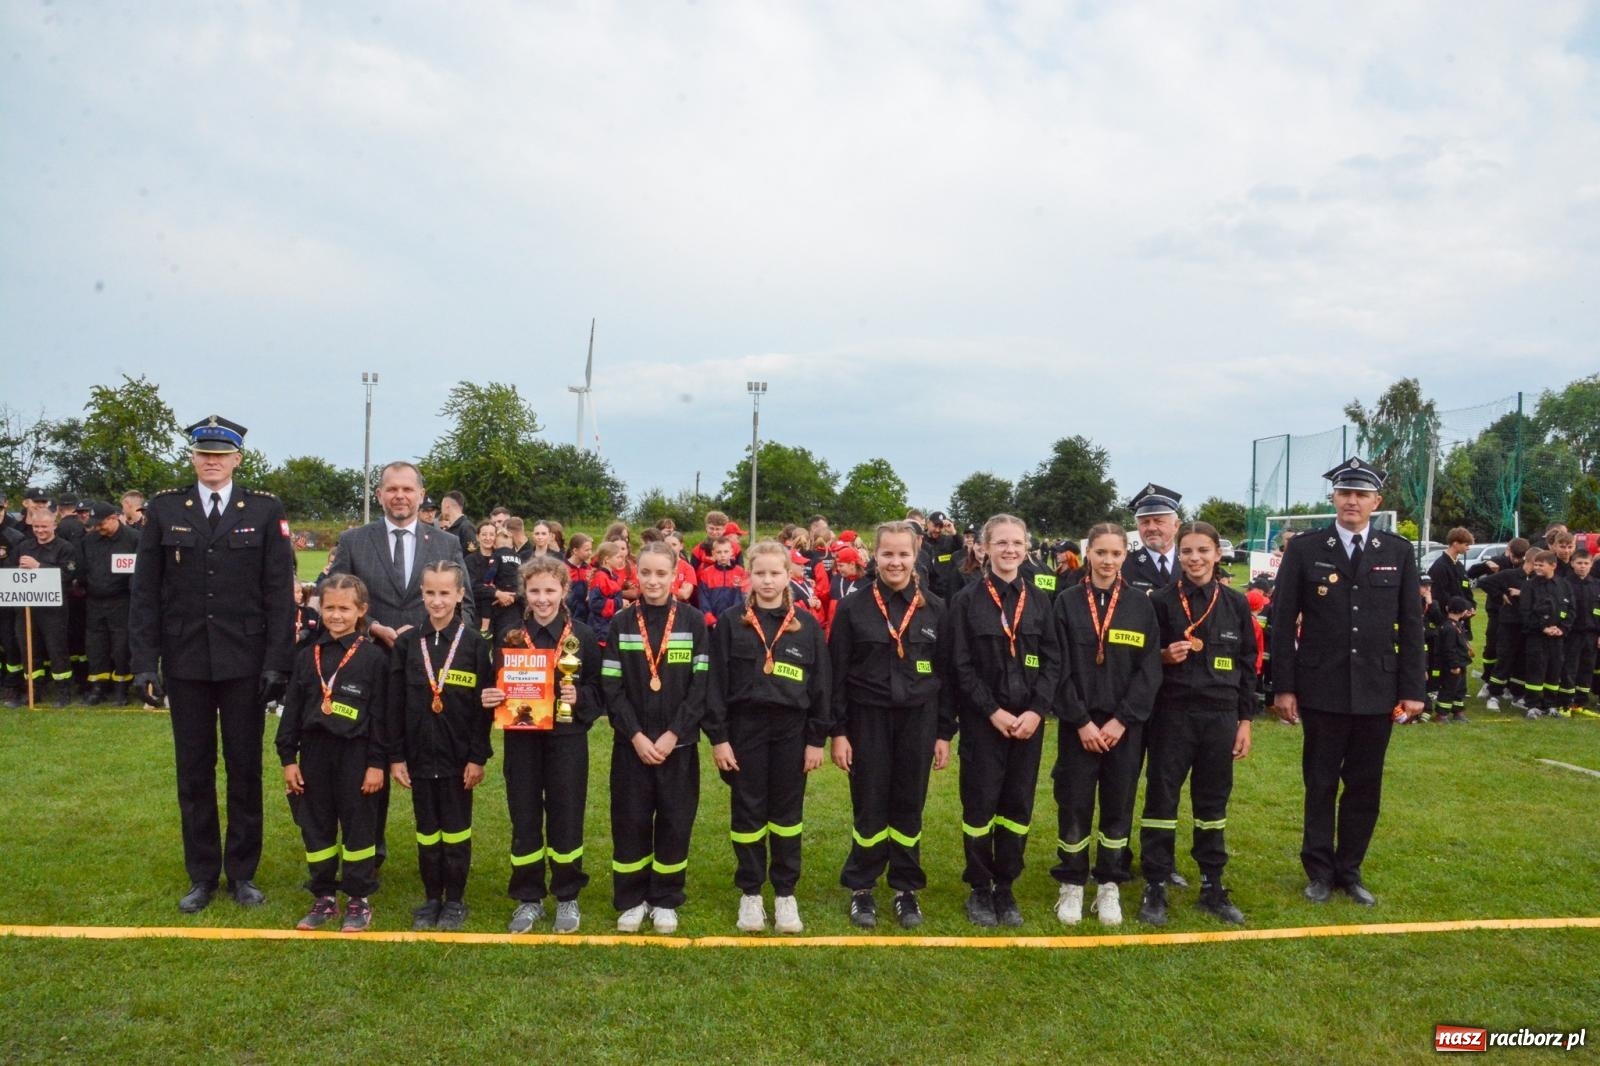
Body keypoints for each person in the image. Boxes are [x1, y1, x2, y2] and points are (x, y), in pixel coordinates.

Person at [129, 416, 296, 913]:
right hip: (185, 662)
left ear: (237, 458)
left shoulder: (265, 510)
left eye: (221, 454)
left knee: (245, 771)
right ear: (193, 457)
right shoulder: (164, 508)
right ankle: (202, 875)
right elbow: (145, 593)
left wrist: (277, 663)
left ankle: (243, 874)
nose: (212, 461)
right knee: (194, 772)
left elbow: (277, 594)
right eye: (204, 453)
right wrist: (143, 662)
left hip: (245, 662)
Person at [1271, 458, 1424, 906]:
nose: (1352, 500)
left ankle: (1350, 870)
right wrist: (1284, 687)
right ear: (1334, 499)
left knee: (1364, 785)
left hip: (1377, 690)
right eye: (1344, 493)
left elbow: (1411, 625)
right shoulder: (1305, 548)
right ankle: (1318, 871)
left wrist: (1413, 689)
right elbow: (1282, 623)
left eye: (1361, 494)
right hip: (1321, 687)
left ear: (1376, 502)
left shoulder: (1396, 551)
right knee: (1319, 782)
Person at [321, 460, 473, 876]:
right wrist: (372, 627)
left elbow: (467, 607)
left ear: (422, 495)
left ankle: (445, 856)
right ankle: (369, 849)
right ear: (379, 495)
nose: (400, 496)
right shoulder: (354, 541)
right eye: (391, 489)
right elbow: (328, 597)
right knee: (369, 764)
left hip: (430, 680)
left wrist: (427, 633)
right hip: (369, 667)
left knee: (434, 765)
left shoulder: (445, 543)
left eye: (408, 489)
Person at [829, 521, 953, 930]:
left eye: (903, 554)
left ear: (916, 553)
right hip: (868, 719)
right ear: (874, 557)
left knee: (908, 803)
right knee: (869, 802)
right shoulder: (853, 607)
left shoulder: (935, 607)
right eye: (887, 554)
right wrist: (839, 732)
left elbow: (946, 676)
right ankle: (862, 887)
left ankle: (904, 887)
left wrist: (942, 733)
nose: (895, 562)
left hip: (917, 720)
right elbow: (837, 674)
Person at [705, 540, 832, 934]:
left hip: (792, 733)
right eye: (760, 573)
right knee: (747, 811)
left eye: (775, 573)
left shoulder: (807, 625)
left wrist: (816, 740)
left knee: (787, 815)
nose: (767, 580)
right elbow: (714, 684)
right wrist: (719, 738)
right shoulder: (730, 622)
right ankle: (750, 893)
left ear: (788, 576)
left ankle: (784, 893)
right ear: (748, 576)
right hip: (745, 731)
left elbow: (822, 687)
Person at [1138, 522, 1257, 926]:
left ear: (1217, 554)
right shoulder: (1160, 601)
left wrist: (1245, 720)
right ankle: (1155, 883)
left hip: (1221, 716)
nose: (1195, 559)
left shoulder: (1236, 604)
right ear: (1178, 553)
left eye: (1203, 551)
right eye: (1187, 551)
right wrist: (1162, 657)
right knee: (1162, 800)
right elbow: (1140, 659)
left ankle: (1212, 884)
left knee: (1212, 802)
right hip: (1171, 714)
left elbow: (1247, 665)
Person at [947, 515, 1063, 927]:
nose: (1010, 550)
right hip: (985, 722)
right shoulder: (965, 600)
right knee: (980, 804)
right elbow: (959, 666)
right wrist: (992, 712)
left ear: (1027, 547)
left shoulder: (1039, 599)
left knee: (1017, 804)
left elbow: (1053, 661)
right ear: (983, 548)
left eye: (1017, 543)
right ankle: (980, 887)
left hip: (1028, 723)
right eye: (1001, 543)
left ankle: (1006, 885)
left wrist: (1036, 711)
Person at [1050, 522, 1161, 926]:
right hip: (1079, 726)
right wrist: (1080, 721)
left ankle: (1109, 882)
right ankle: (1073, 881)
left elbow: (1149, 671)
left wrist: (1121, 721)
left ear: (1124, 557)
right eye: (1101, 553)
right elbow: (1056, 667)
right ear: (1089, 554)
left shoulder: (1139, 605)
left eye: (1116, 554)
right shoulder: (1066, 602)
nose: (1108, 561)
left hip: (1122, 729)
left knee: (1118, 804)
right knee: (1074, 803)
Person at [601, 541, 710, 934]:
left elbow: (700, 689)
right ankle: (631, 899)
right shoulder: (622, 623)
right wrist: (635, 735)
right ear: (635, 574)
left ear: (676, 574)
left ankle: (665, 898)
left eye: (661, 573)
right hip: (632, 748)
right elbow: (611, 688)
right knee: (629, 822)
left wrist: (672, 734)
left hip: (676, 748)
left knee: (674, 822)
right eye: (645, 573)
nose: (652, 580)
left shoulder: (694, 622)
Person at [496, 556, 603, 935]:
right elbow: (496, 682)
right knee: (524, 816)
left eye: (550, 590)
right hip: (522, 739)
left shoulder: (584, 637)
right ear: (525, 591)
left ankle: (567, 894)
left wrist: (581, 696)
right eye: (535, 590)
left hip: (567, 739)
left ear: (564, 591)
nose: (542, 599)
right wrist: (493, 695)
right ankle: (528, 897)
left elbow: (599, 690)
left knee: (566, 814)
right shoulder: (509, 633)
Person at [276, 574, 389, 932]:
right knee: (316, 826)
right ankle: (323, 896)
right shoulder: (307, 655)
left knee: (359, 829)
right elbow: (292, 708)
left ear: (361, 611)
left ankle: (358, 899)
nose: (336, 615)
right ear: (319, 608)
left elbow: (382, 718)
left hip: (357, 755)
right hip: (314, 755)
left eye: (344, 608)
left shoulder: (374, 658)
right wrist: (287, 759)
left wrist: (376, 764)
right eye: (329, 608)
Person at [388, 561, 494, 931]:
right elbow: (394, 704)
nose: (437, 601)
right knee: (426, 830)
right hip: (417, 756)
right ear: (422, 594)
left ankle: (455, 899)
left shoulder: (476, 646)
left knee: (456, 830)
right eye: (430, 593)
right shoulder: (406, 643)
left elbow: (484, 711)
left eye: (445, 593)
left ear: (460, 594)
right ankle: (432, 896)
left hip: (457, 759)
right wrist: (396, 755)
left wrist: (477, 757)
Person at [10, 510, 82, 707]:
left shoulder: (65, 548)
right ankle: (33, 692)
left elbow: (68, 574)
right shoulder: (23, 546)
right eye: (36, 527)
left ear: (54, 525)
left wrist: (39, 566)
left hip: (53, 610)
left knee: (57, 650)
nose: (39, 530)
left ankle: (63, 693)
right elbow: (9, 571)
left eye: (43, 526)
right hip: (27, 608)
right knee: (29, 651)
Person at [77, 500, 139, 705]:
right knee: (96, 646)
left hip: (121, 601)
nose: (97, 528)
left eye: (101, 523)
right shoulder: (90, 540)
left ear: (113, 518)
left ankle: (122, 688)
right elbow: (82, 569)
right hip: (94, 601)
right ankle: (98, 686)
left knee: (121, 646)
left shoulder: (134, 539)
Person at [1519, 549, 1572, 719]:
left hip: (1558, 638)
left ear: (1553, 566)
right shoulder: (1529, 585)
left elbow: (1571, 609)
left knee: (1554, 670)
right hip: (1537, 637)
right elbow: (1525, 612)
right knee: (1536, 669)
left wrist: (1562, 628)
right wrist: (1543, 628)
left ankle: (1550, 704)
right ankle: (1532, 705)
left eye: (1541, 565)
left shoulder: (1564, 585)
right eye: (1535, 564)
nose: (1537, 568)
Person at [1122, 484, 1182, 594]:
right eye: (1144, 522)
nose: (1151, 528)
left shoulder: (1193, 563)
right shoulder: (1124, 565)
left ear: (1176, 525)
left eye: (1158, 521)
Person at [1430, 596, 1474, 724]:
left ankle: (1458, 711)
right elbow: (1449, 649)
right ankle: (1441, 714)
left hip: (1461, 663)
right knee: (1448, 689)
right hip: (1452, 665)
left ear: (1447, 608)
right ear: (1464, 611)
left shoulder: (1457, 625)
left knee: (1460, 689)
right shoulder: (1449, 628)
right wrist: (1454, 665)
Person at [1565, 550, 1597, 716]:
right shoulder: (1565, 584)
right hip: (1572, 634)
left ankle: (1581, 702)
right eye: (1579, 563)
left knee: (1587, 667)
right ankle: (1567, 701)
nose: (1582, 567)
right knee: (1570, 667)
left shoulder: (1597, 585)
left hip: (1591, 635)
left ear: (1591, 565)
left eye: (1586, 563)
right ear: (1572, 563)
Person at [1428, 528, 1475, 639]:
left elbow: (1466, 589)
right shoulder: (1440, 567)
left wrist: (1471, 607)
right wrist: (1459, 609)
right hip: (1448, 619)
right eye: (1466, 544)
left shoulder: (1459, 565)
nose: (1468, 548)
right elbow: (1440, 594)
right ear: (1455, 543)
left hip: (1462, 619)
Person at [696, 536, 747, 628]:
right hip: (713, 624)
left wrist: (734, 618)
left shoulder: (740, 572)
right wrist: (711, 621)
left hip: (734, 622)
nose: (722, 555)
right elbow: (703, 600)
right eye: (719, 552)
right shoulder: (706, 573)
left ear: (731, 552)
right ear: (713, 554)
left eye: (726, 551)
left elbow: (741, 598)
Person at [464, 521, 499, 632]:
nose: (488, 538)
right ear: (478, 537)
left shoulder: (502, 557)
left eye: (491, 534)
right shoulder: (469, 560)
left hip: (500, 611)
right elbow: (471, 587)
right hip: (477, 613)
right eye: (484, 534)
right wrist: (495, 593)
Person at [438, 492, 479, 556]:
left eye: (442, 506)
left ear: (447, 506)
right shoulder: (451, 529)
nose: (441, 510)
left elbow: (473, 555)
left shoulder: (466, 528)